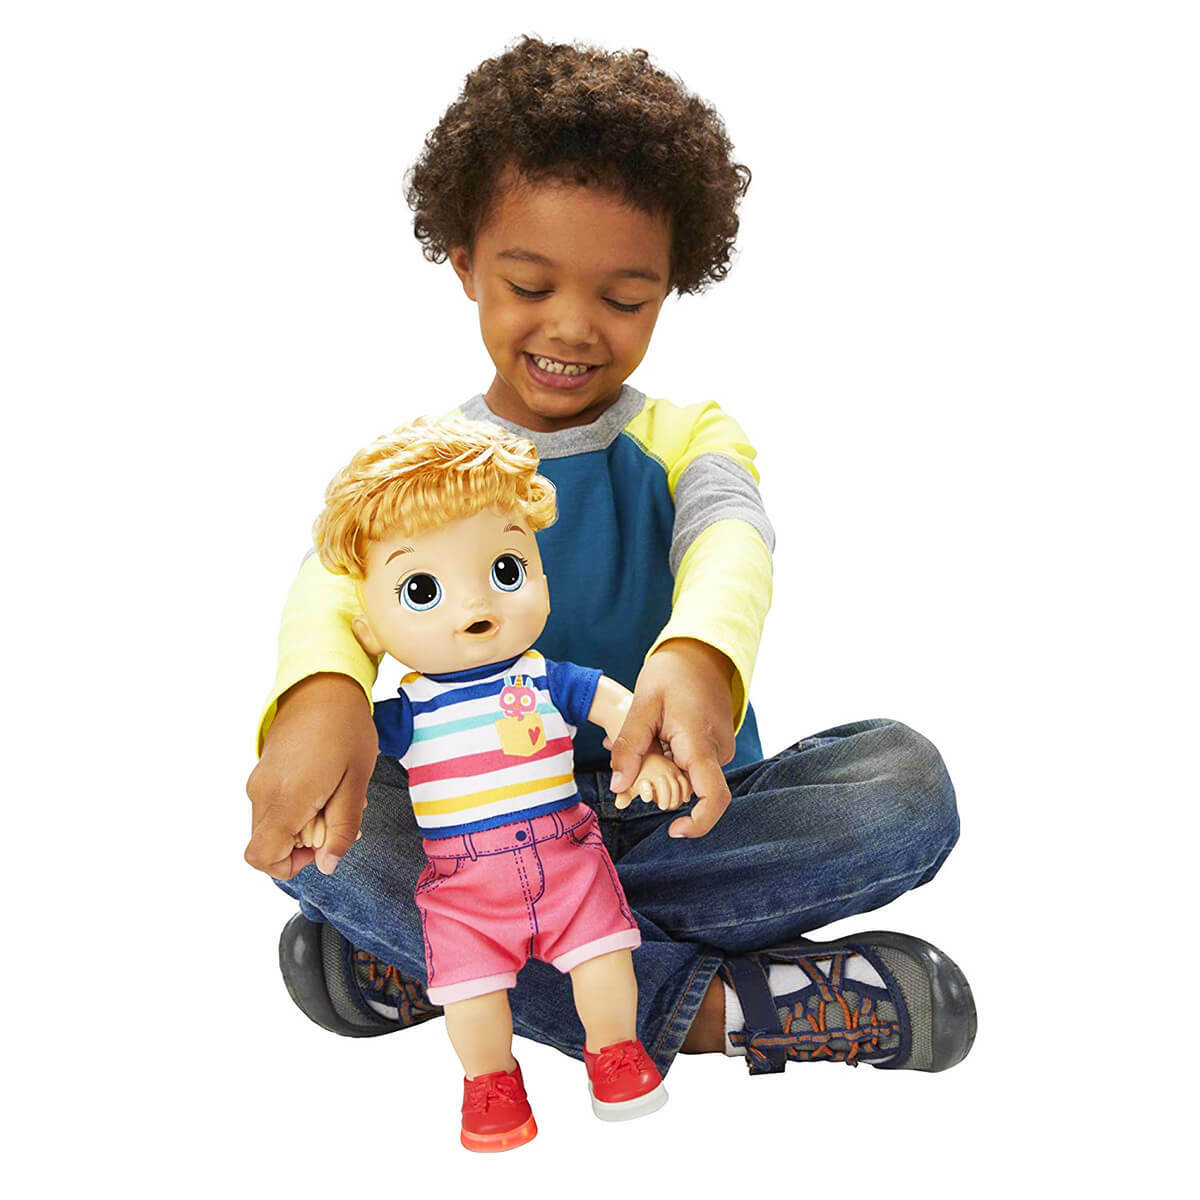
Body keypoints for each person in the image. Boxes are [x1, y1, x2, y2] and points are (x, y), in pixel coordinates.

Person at [246, 35, 975, 1092]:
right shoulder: (420, 470)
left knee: (906, 786)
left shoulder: (688, 436)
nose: (574, 327)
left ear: (671, 286)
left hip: (683, 813)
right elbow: (331, 582)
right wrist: (322, 695)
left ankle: (443, 959)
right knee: (331, 837)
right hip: (477, 826)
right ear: (464, 263)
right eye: (528, 283)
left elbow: (731, 538)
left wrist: (701, 655)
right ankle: (727, 1010)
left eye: (625, 299)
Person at [308, 415, 680, 1149]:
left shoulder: (549, 678)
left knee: (604, 955)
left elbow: (623, 713)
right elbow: (345, 753)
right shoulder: (408, 711)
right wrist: (321, 786)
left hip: (567, 856)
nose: (476, 607)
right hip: (465, 883)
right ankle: (490, 1081)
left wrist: (653, 756)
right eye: (422, 589)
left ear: (540, 572)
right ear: (370, 626)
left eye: (505, 571)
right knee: (471, 994)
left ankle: (614, 1050)